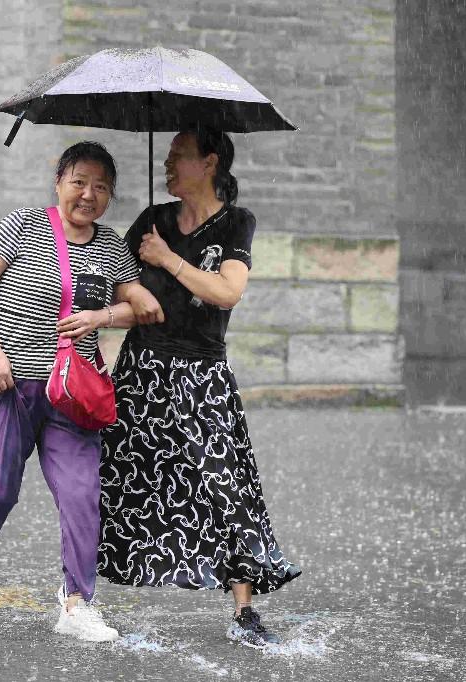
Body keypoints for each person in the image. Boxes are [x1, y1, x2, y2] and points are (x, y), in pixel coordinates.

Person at [98, 126, 302, 648]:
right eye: (166, 156)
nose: (169, 165)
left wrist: (167, 259)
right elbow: (122, 288)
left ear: (209, 163)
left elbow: (227, 291)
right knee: (119, 478)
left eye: (179, 156)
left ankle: (244, 610)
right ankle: (81, 596)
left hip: (201, 376)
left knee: (223, 487)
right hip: (143, 368)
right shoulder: (151, 220)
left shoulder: (236, 223)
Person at [0, 141, 152, 642]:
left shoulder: (112, 248)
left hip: (74, 394)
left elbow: (143, 305)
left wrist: (104, 316)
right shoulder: (22, 224)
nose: (89, 194)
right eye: (80, 181)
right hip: (11, 384)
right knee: (0, 490)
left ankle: (76, 603)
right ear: (59, 179)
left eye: (102, 187)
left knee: (82, 496)